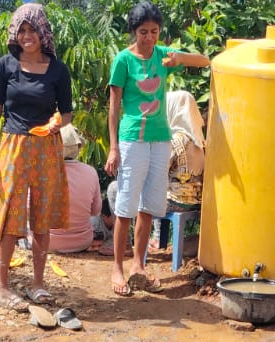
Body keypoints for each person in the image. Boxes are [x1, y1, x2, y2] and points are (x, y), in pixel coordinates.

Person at [105, 2, 210, 297]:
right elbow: (114, 108)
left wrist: (180, 57)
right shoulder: (123, 61)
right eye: (143, 32)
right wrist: (114, 148)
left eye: (154, 31)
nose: (149, 37)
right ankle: (117, 268)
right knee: (125, 207)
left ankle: (138, 266)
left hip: (161, 140)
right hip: (131, 139)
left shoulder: (164, 56)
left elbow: (204, 60)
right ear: (133, 31)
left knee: (150, 207)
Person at [0, 3, 73, 310]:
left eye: (31, 29)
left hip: (47, 147)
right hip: (13, 146)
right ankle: (2, 286)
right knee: (10, 214)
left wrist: (55, 123)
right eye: (21, 30)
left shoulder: (58, 70)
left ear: (42, 32)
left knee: (41, 217)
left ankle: (37, 284)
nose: (26, 36)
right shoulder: (5, 65)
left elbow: (67, 113)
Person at [47, 124, 105, 254]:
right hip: (82, 242)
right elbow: (95, 211)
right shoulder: (91, 172)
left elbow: (28, 210)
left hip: (45, 242)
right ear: (78, 148)